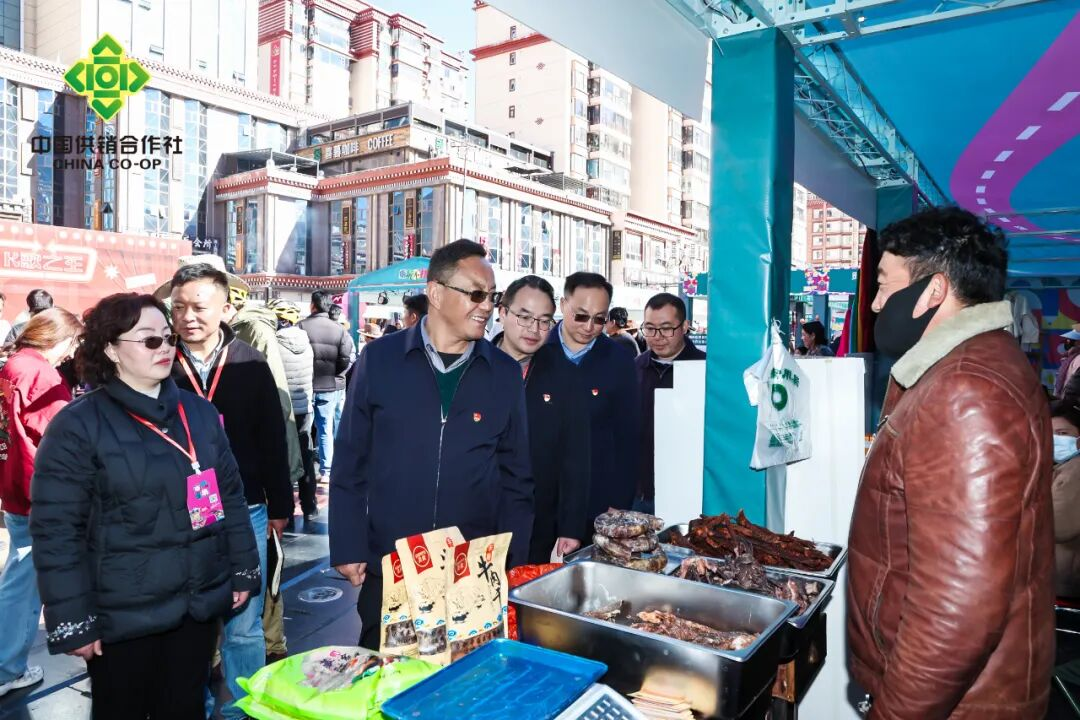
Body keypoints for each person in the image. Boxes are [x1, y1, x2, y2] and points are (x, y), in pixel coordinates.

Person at [847, 206, 1053, 718]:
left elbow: (957, 606)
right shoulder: (974, 365)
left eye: (884, 284)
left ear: (933, 291)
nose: (874, 304)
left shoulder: (966, 390)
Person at [30, 293, 260, 719]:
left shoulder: (198, 413)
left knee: (186, 707)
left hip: (194, 606)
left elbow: (229, 496)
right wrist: (74, 618)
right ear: (111, 349)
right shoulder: (78, 426)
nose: (165, 347)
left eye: (168, 338)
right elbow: (57, 531)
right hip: (123, 618)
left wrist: (242, 567)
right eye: (149, 340)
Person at [331, 239, 533, 651]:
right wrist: (348, 544)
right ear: (436, 293)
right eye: (475, 294)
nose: (486, 306)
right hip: (393, 566)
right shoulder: (380, 360)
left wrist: (510, 561)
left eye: (491, 296)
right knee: (389, 676)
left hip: (472, 572)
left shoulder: (504, 373)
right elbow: (351, 460)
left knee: (465, 679)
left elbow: (517, 478)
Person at [168, 265, 292, 719]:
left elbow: (272, 435)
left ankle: (245, 709)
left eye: (199, 307)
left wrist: (280, 503)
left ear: (225, 308)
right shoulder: (160, 361)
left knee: (245, 622)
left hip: (246, 508)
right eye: (179, 307)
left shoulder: (250, 362)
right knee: (189, 621)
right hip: (179, 512)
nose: (188, 317)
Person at [0, 308, 82, 698]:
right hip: (38, 489)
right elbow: (61, 433)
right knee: (23, 580)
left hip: (15, 482)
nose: (72, 352)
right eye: (72, 343)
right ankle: (6, 667)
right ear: (58, 337)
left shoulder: (14, 365)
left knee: (19, 575)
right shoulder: (41, 373)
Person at [494, 276, 590, 563]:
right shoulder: (475, 365)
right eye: (524, 317)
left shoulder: (565, 375)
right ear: (502, 312)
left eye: (544, 321)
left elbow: (576, 454)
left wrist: (571, 525)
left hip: (538, 516)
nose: (534, 329)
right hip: (477, 513)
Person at [548, 273, 640, 528]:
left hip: (597, 503)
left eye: (599, 319)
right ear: (563, 304)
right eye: (580, 316)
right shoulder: (537, 351)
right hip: (542, 501)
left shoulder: (619, 361)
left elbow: (628, 437)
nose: (589, 326)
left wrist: (619, 502)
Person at [635, 293, 706, 514]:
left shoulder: (705, 370)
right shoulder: (634, 369)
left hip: (689, 491)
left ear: (684, 326)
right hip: (639, 493)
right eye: (649, 328)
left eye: (666, 329)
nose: (657, 337)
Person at [268, 299, 317, 524]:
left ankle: (285, 509)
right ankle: (310, 506)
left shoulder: (274, 344)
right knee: (306, 456)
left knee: (284, 458)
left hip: (283, 409)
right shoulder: (306, 342)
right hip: (304, 408)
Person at [300, 291, 354, 482]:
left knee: (304, 430)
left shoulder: (301, 326)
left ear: (312, 305)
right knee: (325, 429)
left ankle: (304, 470)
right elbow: (345, 359)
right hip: (329, 385)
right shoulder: (339, 330)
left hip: (305, 385)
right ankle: (327, 471)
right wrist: (333, 372)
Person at [1051, 399, 1080, 599]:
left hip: (1066, 587)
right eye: (1049, 434)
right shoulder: (1061, 467)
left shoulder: (1075, 470)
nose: (1055, 440)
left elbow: (1058, 525)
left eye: (1062, 433)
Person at [1057, 326, 1080, 397]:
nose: (1067, 341)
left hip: (1072, 399)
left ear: (1078, 342)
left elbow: (1075, 384)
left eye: (1071, 339)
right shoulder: (1070, 357)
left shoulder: (1078, 359)